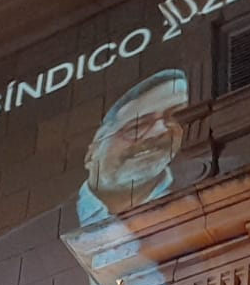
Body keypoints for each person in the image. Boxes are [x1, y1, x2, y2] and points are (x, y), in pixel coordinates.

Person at [74, 70, 189, 230]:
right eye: (137, 126)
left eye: (176, 118)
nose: (160, 130)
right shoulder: (44, 228)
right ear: (91, 154)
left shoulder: (208, 190)